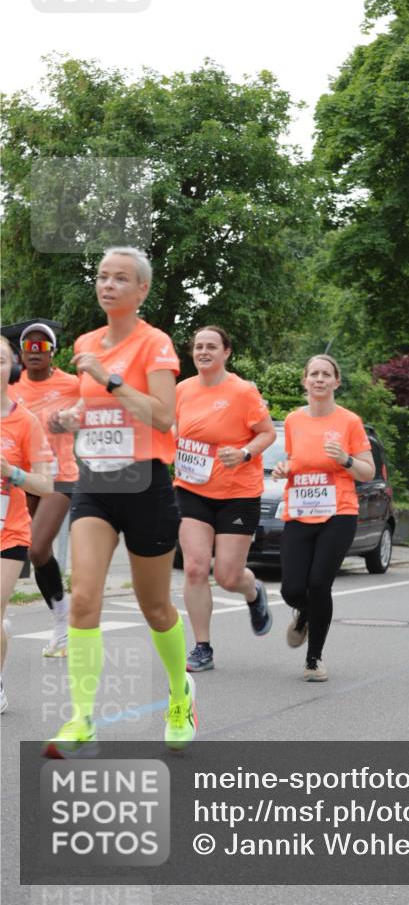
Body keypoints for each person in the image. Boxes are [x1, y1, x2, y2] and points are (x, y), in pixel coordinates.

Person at [43, 246, 196, 757]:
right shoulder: (87, 342)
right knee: (84, 598)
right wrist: (70, 418)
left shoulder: (154, 344)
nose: (108, 285)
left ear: (142, 290)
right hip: (96, 483)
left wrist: (108, 378)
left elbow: (162, 416)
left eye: (120, 278)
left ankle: (180, 695)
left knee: (155, 607)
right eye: (103, 277)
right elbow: (96, 413)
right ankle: (82, 718)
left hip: (145, 484)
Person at [174, 326, 276, 672]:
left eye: (211, 347)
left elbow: (267, 433)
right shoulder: (182, 390)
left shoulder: (243, 391)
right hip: (191, 489)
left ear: (226, 352)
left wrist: (246, 453)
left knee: (228, 576)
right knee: (195, 567)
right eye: (198, 347)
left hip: (238, 493)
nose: (204, 352)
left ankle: (253, 591)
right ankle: (202, 647)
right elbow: (172, 430)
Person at [272, 355, 374, 681]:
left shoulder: (349, 422)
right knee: (291, 589)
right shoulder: (292, 421)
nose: (319, 379)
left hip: (338, 513)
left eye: (326, 374)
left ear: (336, 382)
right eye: (313, 374)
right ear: (304, 381)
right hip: (299, 511)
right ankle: (302, 613)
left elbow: (367, 471)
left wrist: (345, 459)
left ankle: (313, 659)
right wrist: (283, 468)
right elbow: (293, 461)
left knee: (319, 584)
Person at [9, 323, 80, 656]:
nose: (35, 352)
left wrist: (75, 416)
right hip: (19, 479)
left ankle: (62, 625)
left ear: (53, 352)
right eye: (29, 347)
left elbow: (98, 406)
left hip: (59, 476)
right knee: (25, 551)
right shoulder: (11, 385)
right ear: (21, 353)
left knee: (36, 549)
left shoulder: (71, 384)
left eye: (42, 347)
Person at [1, 335, 54, 712]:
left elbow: (46, 484)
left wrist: (13, 473)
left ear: (12, 367)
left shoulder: (26, 421)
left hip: (9, 532)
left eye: (0, 360)